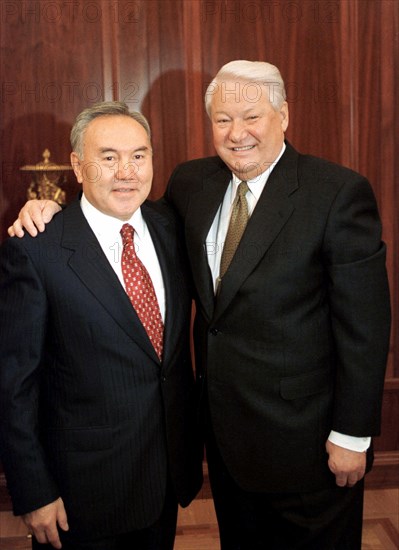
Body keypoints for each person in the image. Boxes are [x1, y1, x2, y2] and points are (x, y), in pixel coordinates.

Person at [8, 61, 391, 549]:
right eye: (222, 119)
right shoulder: (192, 185)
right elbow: (114, 218)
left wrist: (353, 434)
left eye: (251, 117)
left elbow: (367, 325)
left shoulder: (337, 193)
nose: (237, 134)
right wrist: (49, 207)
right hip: (224, 448)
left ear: (285, 116)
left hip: (309, 447)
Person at [0, 101, 203, 550]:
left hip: (166, 477)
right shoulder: (37, 250)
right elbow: (13, 385)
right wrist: (34, 490)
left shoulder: (172, 226)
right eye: (108, 157)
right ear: (77, 165)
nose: (127, 172)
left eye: (139, 155)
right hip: (82, 496)